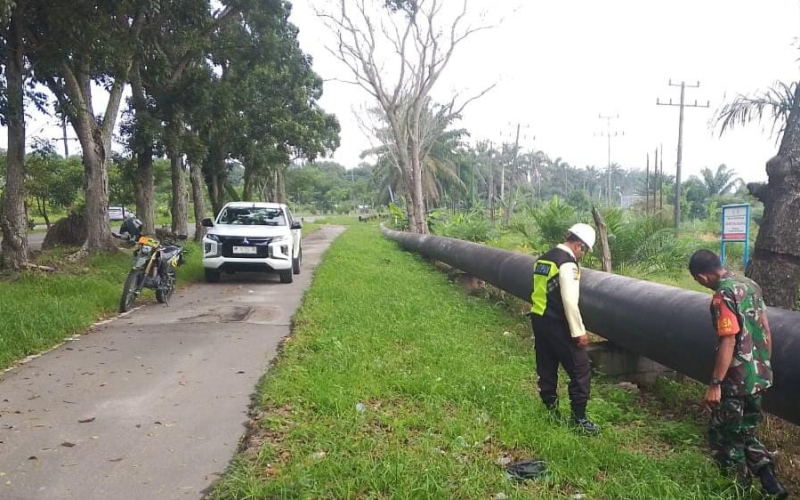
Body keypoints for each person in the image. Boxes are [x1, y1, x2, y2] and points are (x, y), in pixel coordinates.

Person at [688, 250, 787, 498]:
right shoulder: (750, 284)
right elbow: (765, 327)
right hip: (758, 375)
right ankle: (771, 484)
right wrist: (764, 365)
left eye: (697, 280)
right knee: (747, 431)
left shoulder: (723, 295)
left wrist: (715, 383)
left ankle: (736, 490)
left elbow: (728, 340)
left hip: (735, 380)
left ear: (702, 276)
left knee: (725, 435)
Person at [530, 223, 598, 434]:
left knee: (547, 365)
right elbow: (569, 300)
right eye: (583, 250)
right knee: (580, 369)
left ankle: (551, 411)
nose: (581, 255)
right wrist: (579, 332)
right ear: (579, 245)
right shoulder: (567, 264)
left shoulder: (544, 259)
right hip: (559, 324)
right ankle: (579, 420)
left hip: (539, 319)